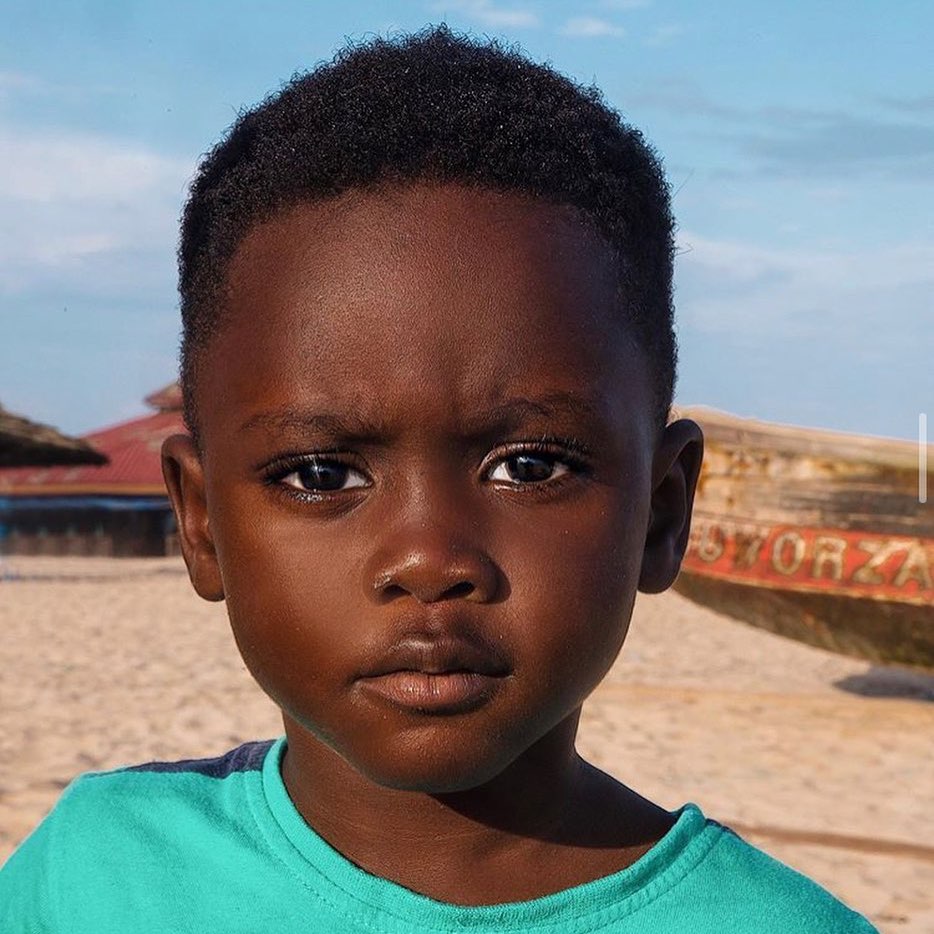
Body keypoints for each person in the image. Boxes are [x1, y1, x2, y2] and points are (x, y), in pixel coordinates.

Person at [0, 26, 877, 932]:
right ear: (201, 522)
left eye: (529, 466)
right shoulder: (94, 877)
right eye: (320, 473)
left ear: (662, 512)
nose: (427, 558)